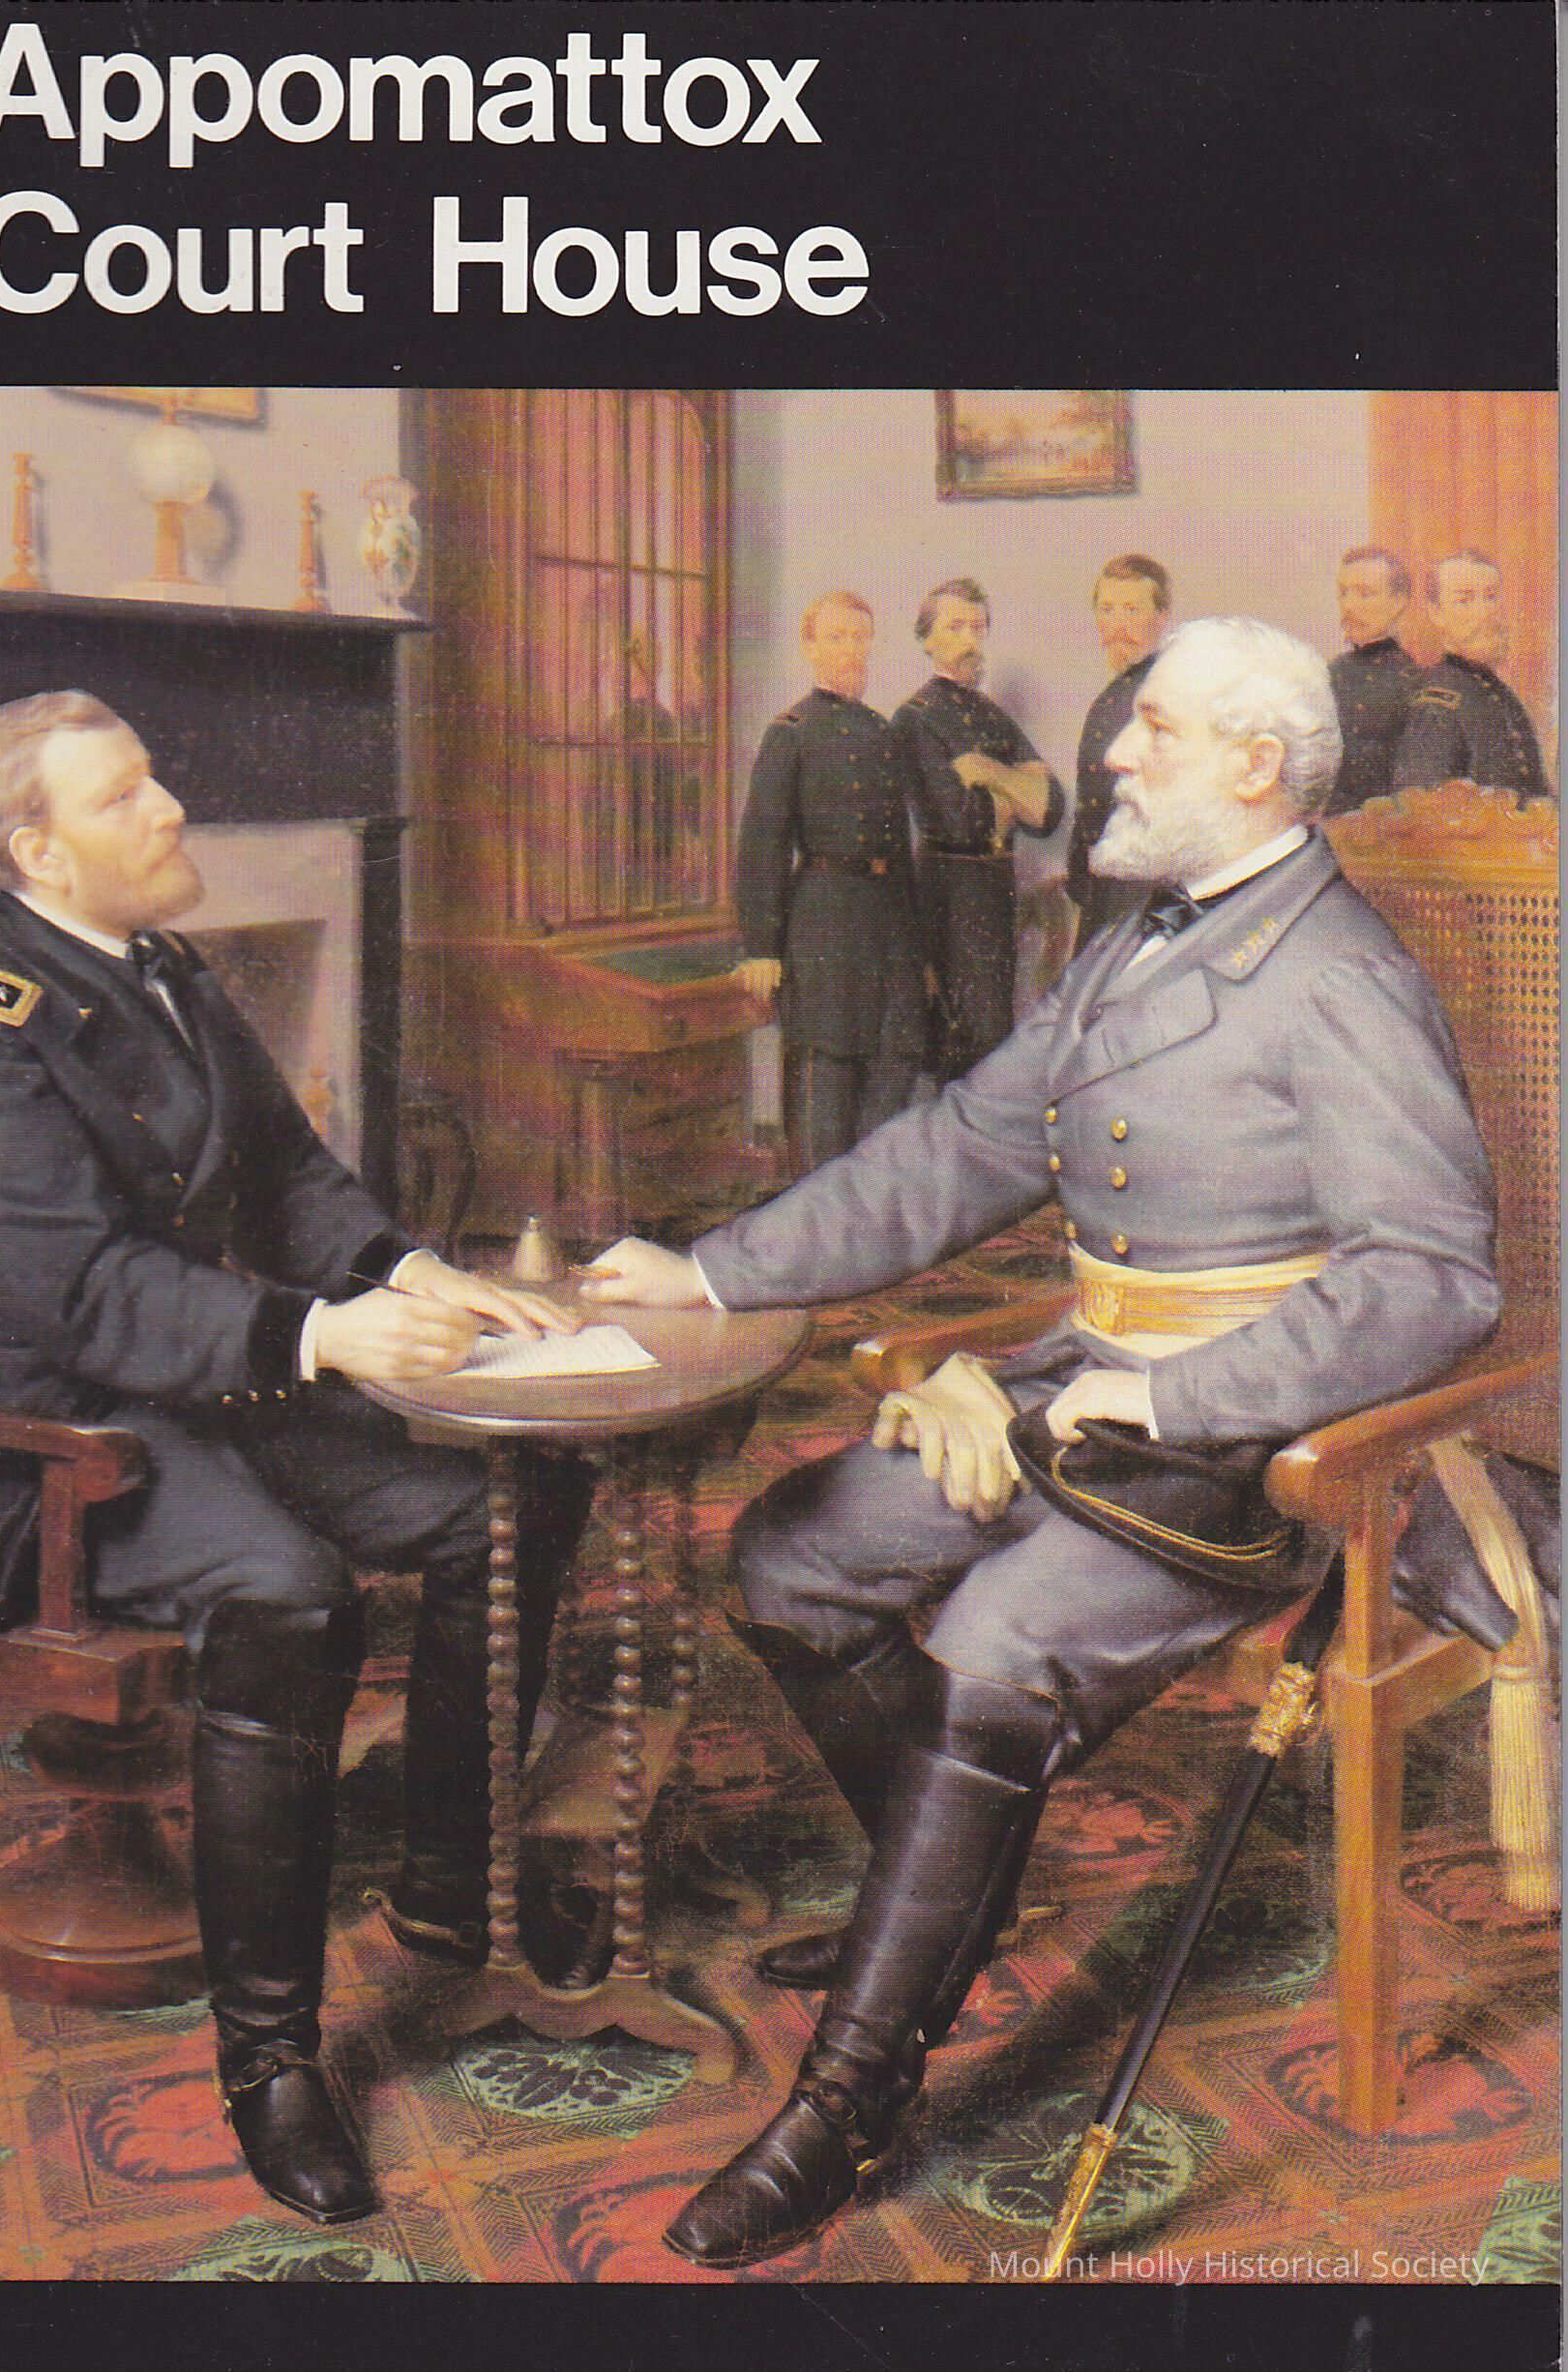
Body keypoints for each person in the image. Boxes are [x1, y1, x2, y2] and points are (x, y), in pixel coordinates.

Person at [582, 619, 1501, 2269]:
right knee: (791, 1557)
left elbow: (1431, 1279)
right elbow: (959, 1147)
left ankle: (848, 2099)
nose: (1116, 754)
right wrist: (713, 1270)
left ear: (1255, 765)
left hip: (1254, 1451)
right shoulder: (1139, 942)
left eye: (1155, 730)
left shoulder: (1339, 977)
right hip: (1079, 1388)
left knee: (994, 1644)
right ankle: (943, 1897)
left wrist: (1176, 1399)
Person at [0, 693, 594, 2228]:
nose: (171, 811)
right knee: (290, 1592)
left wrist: (404, 1270)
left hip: (208, 1383)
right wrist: (322, 1335)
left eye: (156, 779)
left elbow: (283, 1171)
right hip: (49, 1439)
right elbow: (68, 1298)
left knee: (510, 1497)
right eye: (126, 796)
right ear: (37, 852)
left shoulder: (161, 962)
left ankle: (449, 1891)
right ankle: (269, 2062)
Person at [731, 592, 930, 1172]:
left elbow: (900, 848)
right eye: (836, 637)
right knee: (827, 1067)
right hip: (824, 921)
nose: (850, 650)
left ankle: (871, 1205)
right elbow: (763, 845)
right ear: (810, 646)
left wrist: (918, 948)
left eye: (859, 637)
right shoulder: (790, 733)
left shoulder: (881, 731)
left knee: (896, 1057)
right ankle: (820, 1209)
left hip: (888, 923)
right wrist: (762, 947)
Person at [888, 578, 1064, 1074]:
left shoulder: (993, 716)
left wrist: (988, 773)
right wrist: (1018, 790)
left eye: (977, 627)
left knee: (996, 1039)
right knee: (965, 1043)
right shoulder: (914, 718)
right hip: (949, 896)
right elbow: (964, 822)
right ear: (927, 640)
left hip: (996, 893)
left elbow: (1050, 810)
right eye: (955, 627)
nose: (969, 639)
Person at [1065, 554, 1171, 949]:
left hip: (1145, 894)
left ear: (1162, 617)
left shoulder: (1168, 694)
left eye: (1132, 610)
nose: (1117, 625)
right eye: (1107, 609)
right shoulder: (1110, 696)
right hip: (1104, 890)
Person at [1392, 550, 1553, 801]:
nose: (1485, 611)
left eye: (1491, 597)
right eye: (1465, 600)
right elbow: (1422, 812)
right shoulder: (1436, 703)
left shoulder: (1499, 691)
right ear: (1436, 614)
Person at [1324, 545, 1422, 815]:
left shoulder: (1413, 681)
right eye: (1344, 593)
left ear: (1399, 602)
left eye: (1364, 594)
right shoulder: (1330, 674)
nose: (1349, 606)